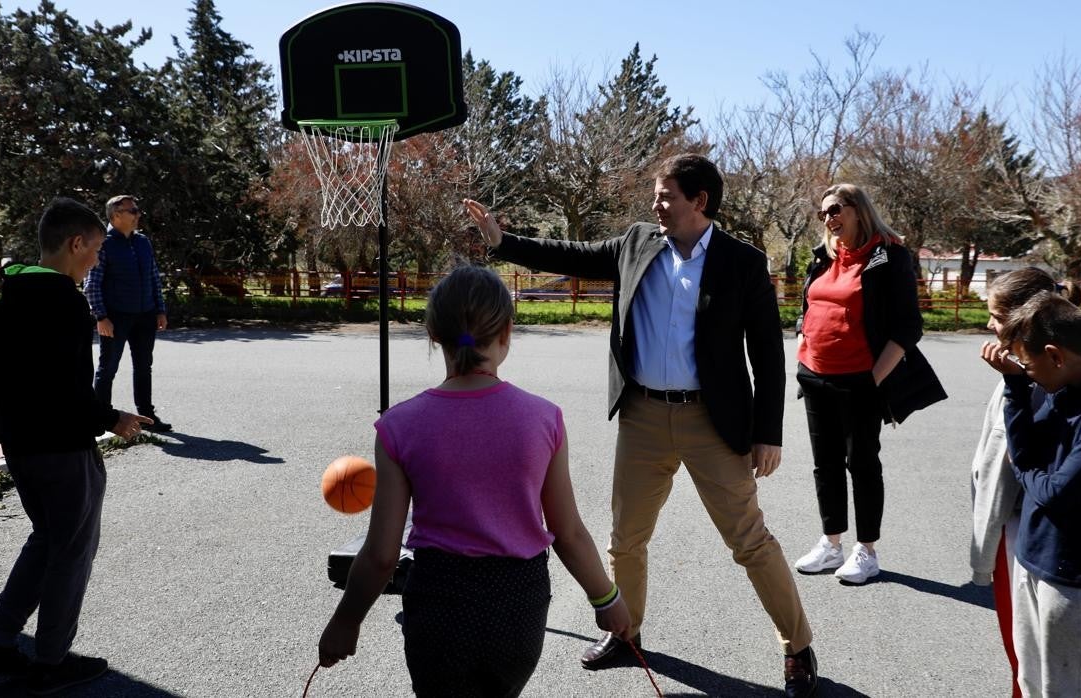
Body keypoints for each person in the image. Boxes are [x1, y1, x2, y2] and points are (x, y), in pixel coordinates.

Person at [464, 153, 819, 698]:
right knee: (625, 540)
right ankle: (626, 637)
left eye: (666, 196)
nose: (656, 205)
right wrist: (502, 241)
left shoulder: (741, 263)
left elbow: (768, 354)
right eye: (656, 196)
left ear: (699, 201)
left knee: (751, 541)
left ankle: (797, 649)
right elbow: (572, 255)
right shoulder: (636, 243)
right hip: (644, 417)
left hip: (713, 421)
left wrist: (768, 432)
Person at [317, 266, 629, 696]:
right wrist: (605, 599)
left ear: (432, 333)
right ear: (506, 332)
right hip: (518, 605)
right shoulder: (543, 418)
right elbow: (568, 532)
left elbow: (381, 556)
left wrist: (347, 620)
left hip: (438, 603)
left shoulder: (399, 426)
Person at [0, 198, 150, 695]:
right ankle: (51, 659)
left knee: (46, 538)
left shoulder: (12, 295)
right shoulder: (67, 302)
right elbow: (69, 388)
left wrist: (17, 423)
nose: (96, 260)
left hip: (22, 445)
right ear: (76, 244)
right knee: (71, 551)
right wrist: (111, 418)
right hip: (63, 450)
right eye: (94, 250)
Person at [982, 292, 1081, 697]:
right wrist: (1014, 385)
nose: (1029, 374)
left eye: (1029, 364)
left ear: (1055, 356)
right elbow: (1028, 457)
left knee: (1067, 688)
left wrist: (1027, 469)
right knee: (1031, 680)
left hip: (1071, 579)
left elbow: (1053, 492)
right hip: (1033, 557)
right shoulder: (1062, 393)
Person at [792, 183, 945, 584]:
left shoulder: (889, 256)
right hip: (814, 374)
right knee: (824, 464)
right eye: (823, 213)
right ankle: (831, 544)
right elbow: (808, 303)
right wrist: (802, 335)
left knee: (861, 463)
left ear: (859, 209)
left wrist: (873, 380)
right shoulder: (823, 256)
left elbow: (908, 327)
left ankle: (867, 551)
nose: (828, 218)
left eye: (835, 209)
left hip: (859, 380)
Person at [970, 268, 1069, 697]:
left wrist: (1014, 382)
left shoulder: (1039, 379)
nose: (990, 324)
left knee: (1026, 649)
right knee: (1024, 647)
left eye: (995, 315)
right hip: (1018, 528)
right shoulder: (1028, 369)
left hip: (1022, 531)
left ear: (1022, 320)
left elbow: (1021, 460)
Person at [83, 195, 172, 432]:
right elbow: (92, 283)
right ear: (116, 215)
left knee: (144, 366)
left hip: (145, 315)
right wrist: (101, 316)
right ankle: (100, 418)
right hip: (115, 317)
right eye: (132, 211)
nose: (138, 214)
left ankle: (147, 416)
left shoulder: (143, 242)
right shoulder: (103, 243)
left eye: (137, 210)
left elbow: (153, 277)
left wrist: (160, 310)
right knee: (108, 367)